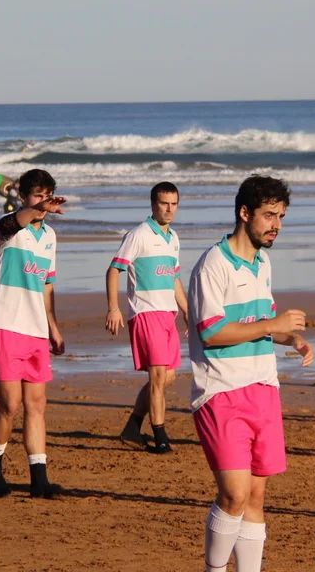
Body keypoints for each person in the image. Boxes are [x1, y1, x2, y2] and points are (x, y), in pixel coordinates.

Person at [189, 175, 315, 572]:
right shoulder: (213, 264)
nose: (276, 225)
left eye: (281, 217)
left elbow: (258, 324)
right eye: (269, 215)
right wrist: (273, 324)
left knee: (256, 498)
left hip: (264, 388)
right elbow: (212, 333)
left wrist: (291, 338)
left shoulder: (263, 262)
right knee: (234, 494)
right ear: (245, 213)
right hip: (221, 392)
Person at [0, 168, 67, 499]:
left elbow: (47, 286)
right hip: (4, 324)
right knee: (10, 404)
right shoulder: (7, 227)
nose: (44, 201)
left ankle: (38, 478)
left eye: (48, 196)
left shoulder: (50, 237)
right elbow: (14, 223)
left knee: (37, 404)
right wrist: (37, 208)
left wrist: (53, 327)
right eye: (38, 195)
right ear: (23, 196)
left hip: (35, 329)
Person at [106, 182, 189, 454]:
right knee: (158, 376)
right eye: (164, 203)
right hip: (145, 313)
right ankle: (161, 437)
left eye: (174, 204)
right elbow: (114, 270)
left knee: (168, 377)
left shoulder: (173, 238)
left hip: (167, 314)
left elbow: (174, 277)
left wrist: (186, 311)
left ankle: (132, 426)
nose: (169, 209)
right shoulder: (138, 235)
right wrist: (113, 308)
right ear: (153, 204)